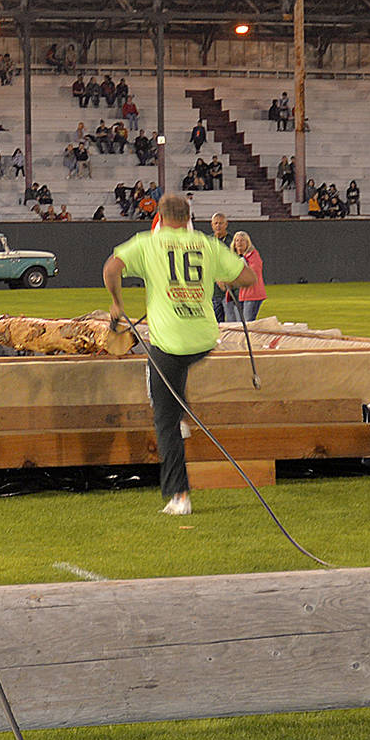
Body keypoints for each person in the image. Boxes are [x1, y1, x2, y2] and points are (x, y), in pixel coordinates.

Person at [102, 194, 256, 516]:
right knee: (175, 374)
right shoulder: (206, 243)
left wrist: (117, 303)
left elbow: (111, 267)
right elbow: (247, 278)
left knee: (164, 418)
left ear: (159, 215)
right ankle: (182, 409)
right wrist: (221, 273)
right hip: (203, 340)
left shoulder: (147, 243)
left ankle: (179, 495)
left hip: (169, 342)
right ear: (188, 217)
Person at [229, 231, 266, 322]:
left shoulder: (253, 256)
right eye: (237, 240)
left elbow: (253, 274)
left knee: (247, 323)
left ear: (247, 243)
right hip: (236, 295)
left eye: (242, 240)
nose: (239, 243)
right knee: (240, 325)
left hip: (251, 295)